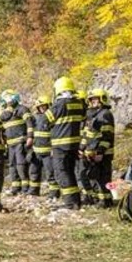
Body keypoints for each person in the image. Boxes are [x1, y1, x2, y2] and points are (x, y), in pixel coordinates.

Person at [47, 76, 85, 210]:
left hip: (60, 145)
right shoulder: (79, 103)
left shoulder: (59, 105)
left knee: (61, 172)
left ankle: (70, 203)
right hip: (74, 144)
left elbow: (44, 122)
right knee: (70, 171)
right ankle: (76, 201)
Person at [81, 88, 115, 208]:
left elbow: (107, 136)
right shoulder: (92, 114)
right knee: (94, 176)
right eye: (91, 99)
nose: (93, 101)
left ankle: (106, 201)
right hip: (92, 151)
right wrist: (82, 148)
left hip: (103, 153)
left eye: (96, 99)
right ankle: (97, 199)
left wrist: (100, 152)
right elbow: (87, 134)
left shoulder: (105, 114)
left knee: (104, 177)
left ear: (102, 99)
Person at [0, 92, 31, 195]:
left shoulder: (22, 109)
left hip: (20, 141)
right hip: (10, 144)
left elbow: (30, 123)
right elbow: (3, 127)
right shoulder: (5, 113)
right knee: (12, 165)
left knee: (21, 164)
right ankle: (15, 187)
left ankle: (25, 186)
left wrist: (30, 137)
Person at [27, 95, 55, 197]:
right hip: (36, 150)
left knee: (50, 173)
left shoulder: (52, 118)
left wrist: (53, 148)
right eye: (40, 106)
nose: (42, 108)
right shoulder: (34, 117)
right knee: (33, 172)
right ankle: (34, 191)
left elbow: (55, 134)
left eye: (44, 106)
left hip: (48, 151)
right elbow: (31, 131)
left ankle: (54, 193)